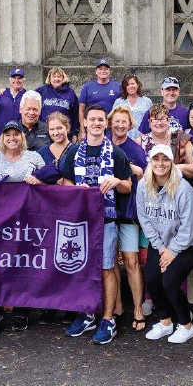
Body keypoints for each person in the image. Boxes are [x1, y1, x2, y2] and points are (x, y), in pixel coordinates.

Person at [60, 104, 132, 345]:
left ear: (106, 123)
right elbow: (64, 179)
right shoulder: (74, 151)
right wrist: (74, 189)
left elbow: (128, 186)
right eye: (92, 119)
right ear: (85, 123)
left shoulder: (116, 153)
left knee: (106, 267)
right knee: (84, 268)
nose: (96, 123)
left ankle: (108, 318)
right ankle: (88, 312)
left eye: (101, 119)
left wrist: (115, 181)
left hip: (107, 219)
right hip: (81, 220)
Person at [0, 121, 46, 337]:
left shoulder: (33, 157)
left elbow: (49, 182)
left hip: (27, 219)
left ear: (22, 137)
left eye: (16, 134)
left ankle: (21, 310)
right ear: (2, 138)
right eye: (8, 135)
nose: (12, 138)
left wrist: (39, 180)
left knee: (22, 264)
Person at [136, 145, 193, 343]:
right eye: (156, 159)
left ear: (172, 162)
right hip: (160, 243)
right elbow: (144, 218)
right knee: (152, 279)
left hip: (187, 244)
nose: (160, 164)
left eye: (165, 159)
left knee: (169, 282)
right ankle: (165, 322)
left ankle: (186, 325)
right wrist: (161, 247)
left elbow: (189, 227)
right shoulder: (143, 185)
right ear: (150, 162)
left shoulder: (183, 189)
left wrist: (172, 251)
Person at [108, 106, 148, 331]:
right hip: (105, 211)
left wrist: (123, 166)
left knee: (131, 261)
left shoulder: (134, 149)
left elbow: (142, 175)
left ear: (130, 124)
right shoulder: (102, 144)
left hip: (127, 212)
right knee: (110, 261)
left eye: (124, 122)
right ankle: (117, 304)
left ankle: (139, 309)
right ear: (110, 122)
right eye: (117, 121)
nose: (120, 125)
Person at [138, 104, 193, 179]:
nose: (159, 123)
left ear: (168, 121)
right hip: (149, 185)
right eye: (155, 119)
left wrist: (179, 167)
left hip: (177, 184)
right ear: (149, 123)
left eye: (163, 119)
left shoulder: (182, 139)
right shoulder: (141, 142)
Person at [78, 59, 122, 137]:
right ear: (96, 71)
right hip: (94, 126)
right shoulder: (87, 87)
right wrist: (82, 130)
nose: (103, 71)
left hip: (112, 127)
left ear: (109, 71)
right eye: (100, 69)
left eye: (105, 69)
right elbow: (81, 110)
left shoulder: (118, 87)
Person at [36, 68, 80, 140]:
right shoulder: (41, 91)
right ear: (49, 79)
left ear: (63, 78)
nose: (56, 79)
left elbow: (75, 113)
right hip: (44, 132)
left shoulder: (70, 93)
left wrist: (75, 133)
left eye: (59, 76)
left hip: (64, 132)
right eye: (54, 76)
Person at [112, 74, 153, 139]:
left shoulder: (147, 101)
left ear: (137, 84)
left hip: (143, 138)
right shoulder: (119, 102)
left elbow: (151, 120)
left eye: (132, 83)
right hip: (123, 138)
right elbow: (113, 121)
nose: (130, 86)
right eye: (127, 84)